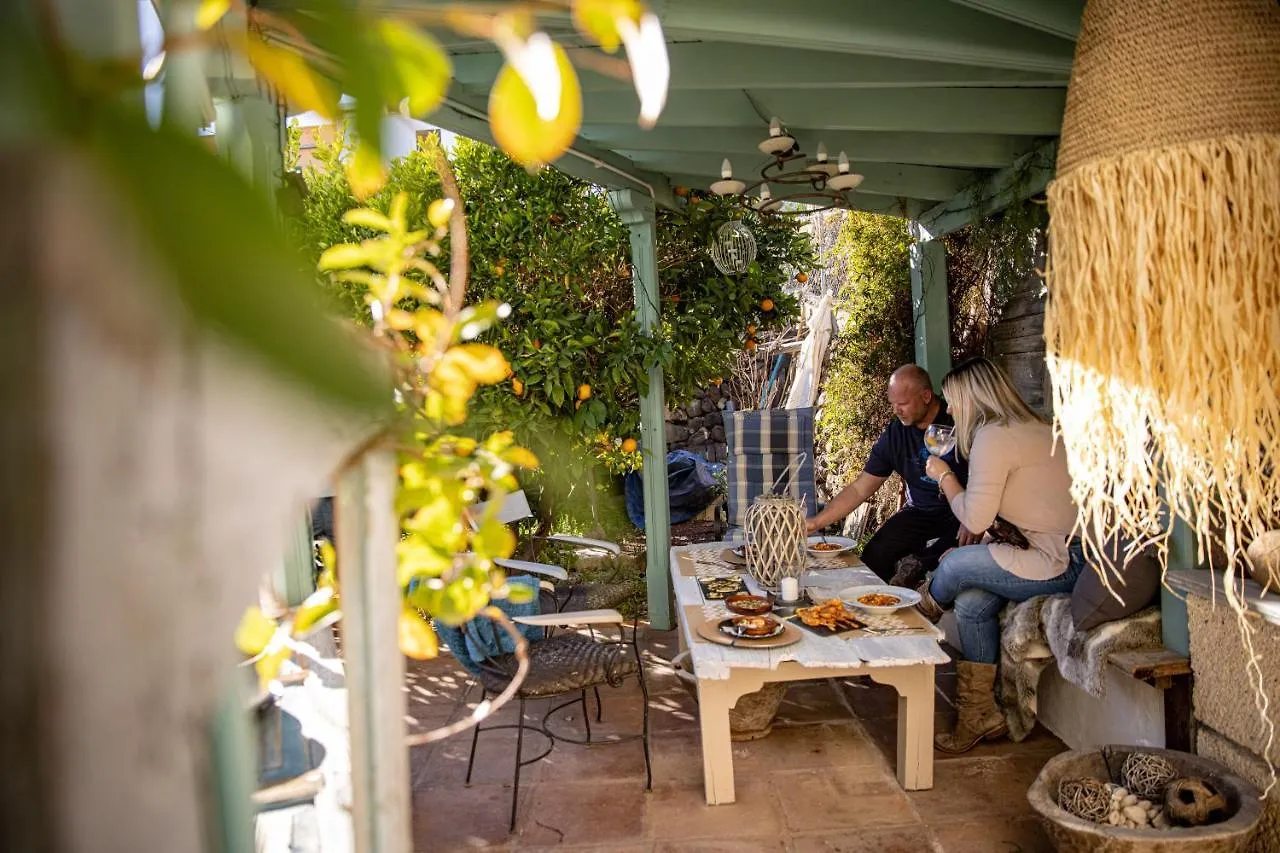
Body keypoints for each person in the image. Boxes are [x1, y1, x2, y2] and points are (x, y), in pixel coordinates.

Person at [916, 357, 1085, 753]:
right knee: (973, 602)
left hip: (1058, 561)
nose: (951, 410)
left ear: (972, 398)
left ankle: (915, 620)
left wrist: (945, 477)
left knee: (955, 565)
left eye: (954, 401)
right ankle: (980, 714)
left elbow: (975, 514)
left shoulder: (994, 437)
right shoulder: (1033, 427)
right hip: (1055, 552)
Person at [806, 364, 977, 583]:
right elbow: (861, 488)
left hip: (960, 511)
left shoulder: (958, 422)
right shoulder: (896, 434)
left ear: (926, 396)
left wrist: (973, 518)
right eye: (893, 404)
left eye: (903, 403)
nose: (896, 410)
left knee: (929, 563)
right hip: (919, 513)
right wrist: (817, 522)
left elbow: (985, 479)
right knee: (874, 555)